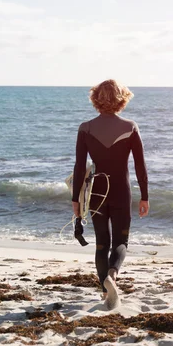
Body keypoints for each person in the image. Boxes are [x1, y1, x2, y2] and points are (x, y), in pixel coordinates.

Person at [72, 79, 149, 310]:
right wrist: (144, 196)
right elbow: (140, 166)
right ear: (122, 98)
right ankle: (113, 275)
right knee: (121, 240)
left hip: (97, 192)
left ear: (95, 99)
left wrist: (76, 199)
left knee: (101, 243)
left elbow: (79, 167)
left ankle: (105, 292)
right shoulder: (130, 127)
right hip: (121, 192)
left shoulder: (85, 128)